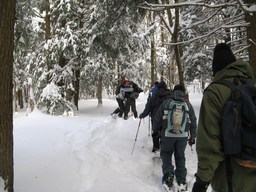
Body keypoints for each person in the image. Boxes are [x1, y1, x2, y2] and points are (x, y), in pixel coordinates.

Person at [192, 43, 255, 192]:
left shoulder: (215, 92)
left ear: (217, 69)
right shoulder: (252, 87)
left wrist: (202, 181)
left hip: (231, 180)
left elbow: (209, 144)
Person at [153, 84, 197, 191]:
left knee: (166, 154)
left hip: (167, 135)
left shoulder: (167, 102)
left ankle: (168, 175)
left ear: (174, 91)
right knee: (180, 156)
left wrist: (155, 131)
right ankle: (181, 180)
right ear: (183, 92)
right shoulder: (187, 105)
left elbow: (157, 118)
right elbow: (193, 121)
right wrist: (193, 136)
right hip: (182, 136)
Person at [139, 80, 171, 152]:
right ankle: (163, 147)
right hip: (167, 118)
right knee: (165, 132)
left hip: (155, 118)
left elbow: (148, 108)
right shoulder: (170, 97)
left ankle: (156, 147)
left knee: (155, 131)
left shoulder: (153, 97)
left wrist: (142, 115)